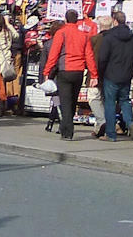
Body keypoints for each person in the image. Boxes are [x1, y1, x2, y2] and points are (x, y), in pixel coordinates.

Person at [42, 9, 99, 140]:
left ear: (66, 20)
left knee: (65, 101)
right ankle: (65, 126)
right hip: (78, 72)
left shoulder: (61, 33)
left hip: (65, 70)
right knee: (73, 100)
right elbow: (89, 56)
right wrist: (94, 75)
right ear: (77, 20)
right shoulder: (84, 35)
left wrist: (47, 72)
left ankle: (67, 131)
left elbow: (54, 54)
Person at [95, 11, 133, 142]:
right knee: (125, 101)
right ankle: (130, 123)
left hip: (111, 75)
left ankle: (110, 134)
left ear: (115, 21)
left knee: (110, 104)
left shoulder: (109, 37)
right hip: (126, 75)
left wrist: (100, 74)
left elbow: (102, 58)